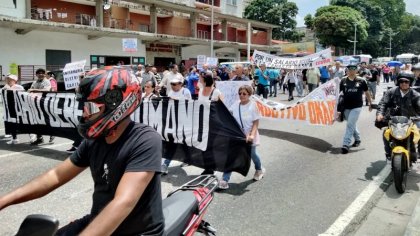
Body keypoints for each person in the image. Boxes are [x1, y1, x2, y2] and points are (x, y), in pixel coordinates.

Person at [0, 66, 165, 235]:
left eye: (91, 108)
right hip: (99, 220)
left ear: (116, 104)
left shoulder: (145, 140)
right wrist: (5, 200)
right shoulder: (94, 141)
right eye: (84, 107)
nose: (85, 115)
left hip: (138, 232)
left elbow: (123, 202)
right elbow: (55, 176)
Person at [219, 85, 265, 190]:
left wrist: (252, 135)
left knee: (252, 154)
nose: (241, 95)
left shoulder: (253, 106)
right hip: (238, 136)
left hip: (249, 135)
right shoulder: (236, 105)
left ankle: (259, 169)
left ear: (249, 94)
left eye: (244, 93)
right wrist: (220, 103)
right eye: (240, 93)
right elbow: (227, 114)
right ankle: (225, 180)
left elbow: (256, 122)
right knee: (231, 156)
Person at [376, 73, 420, 160]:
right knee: (386, 134)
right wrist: (380, 114)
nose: (404, 83)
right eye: (401, 81)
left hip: (411, 120)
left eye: (406, 82)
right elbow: (383, 104)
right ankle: (388, 153)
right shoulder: (391, 92)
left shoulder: (415, 95)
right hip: (393, 120)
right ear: (398, 82)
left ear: (410, 83)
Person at [339, 64, 372, 154]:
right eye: (350, 69)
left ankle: (346, 144)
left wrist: (370, 103)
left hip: (357, 106)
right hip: (345, 107)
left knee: (350, 124)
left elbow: (366, 92)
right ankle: (357, 139)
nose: (352, 71)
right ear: (347, 70)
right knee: (352, 123)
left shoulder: (362, 80)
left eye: (354, 69)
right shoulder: (343, 80)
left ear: (357, 70)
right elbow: (338, 93)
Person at [161, 77, 192, 174]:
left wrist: (176, 100)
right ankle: (187, 159)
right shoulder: (170, 92)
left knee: (179, 142)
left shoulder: (185, 91)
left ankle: (166, 164)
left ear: (180, 84)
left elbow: (189, 104)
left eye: (175, 84)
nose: (173, 86)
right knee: (175, 142)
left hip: (183, 121)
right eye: (172, 84)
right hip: (173, 121)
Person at [28, 68, 51, 145]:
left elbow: (47, 90)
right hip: (35, 104)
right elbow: (30, 90)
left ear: (45, 74)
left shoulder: (47, 81)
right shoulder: (35, 82)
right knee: (36, 121)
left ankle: (52, 134)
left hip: (44, 103)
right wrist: (33, 90)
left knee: (47, 120)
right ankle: (39, 138)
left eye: (42, 73)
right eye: (39, 73)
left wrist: (34, 90)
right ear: (36, 75)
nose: (40, 74)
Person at [2, 74, 24, 144]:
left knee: (22, 122)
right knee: (11, 123)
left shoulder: (19, 87)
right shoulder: (4, 87)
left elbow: (24, 97)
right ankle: (14, 138)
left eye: (10, 79)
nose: (8, 80)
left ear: (15, 80)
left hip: (18, 108)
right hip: (8, 109)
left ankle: (32, 136)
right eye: (7, 79)